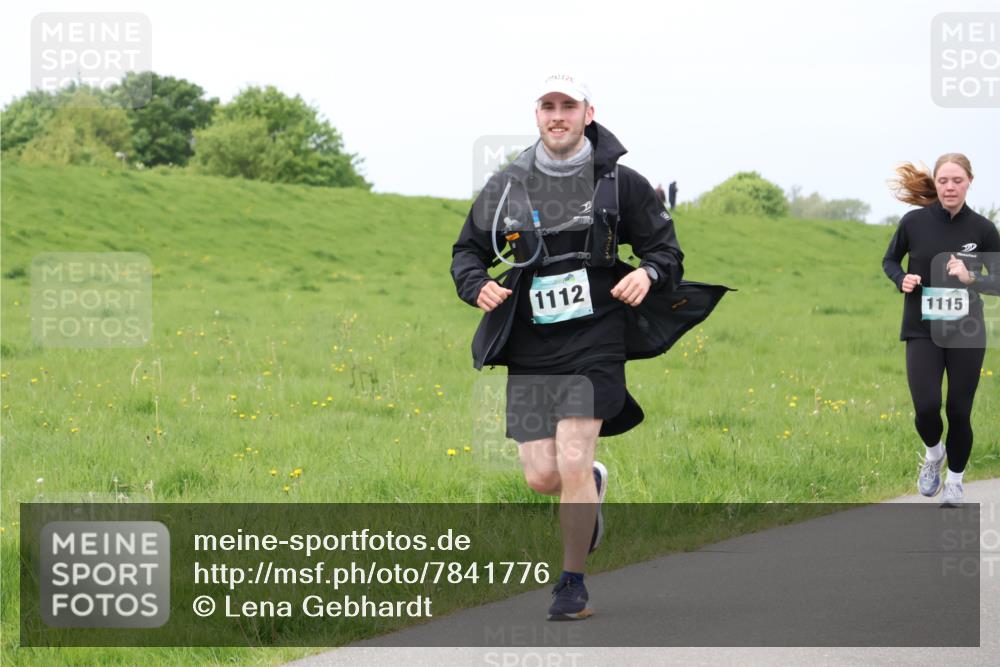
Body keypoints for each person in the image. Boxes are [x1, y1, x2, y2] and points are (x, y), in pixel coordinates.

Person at [451, 74, 730, 620]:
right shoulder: (507, 186)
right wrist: (475, 285)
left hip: (596, 337)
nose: (558, 115)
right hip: (531, 342)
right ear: (537, 115)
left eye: (568, 106)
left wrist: (648, 273)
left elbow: (666, 251)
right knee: (541, 478)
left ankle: (572, 583)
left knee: (574, 458)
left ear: (588, 113)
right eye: (548, 106)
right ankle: (593, 486)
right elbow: (466, 252)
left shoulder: (620, 183)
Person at [883, 153, 1000, 507]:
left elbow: (997, 281)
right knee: (927, 406)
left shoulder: (982, 229)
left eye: (957, 180)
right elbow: (890, 260)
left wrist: (972, 278)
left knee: (959, 411)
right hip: (921, 327)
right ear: (935, 183)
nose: (950, 187)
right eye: (944, 181)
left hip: (966, 331)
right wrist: (902, 278)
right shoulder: (913, 222)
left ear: (969, 182)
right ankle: (934, 454)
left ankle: (955, 482)